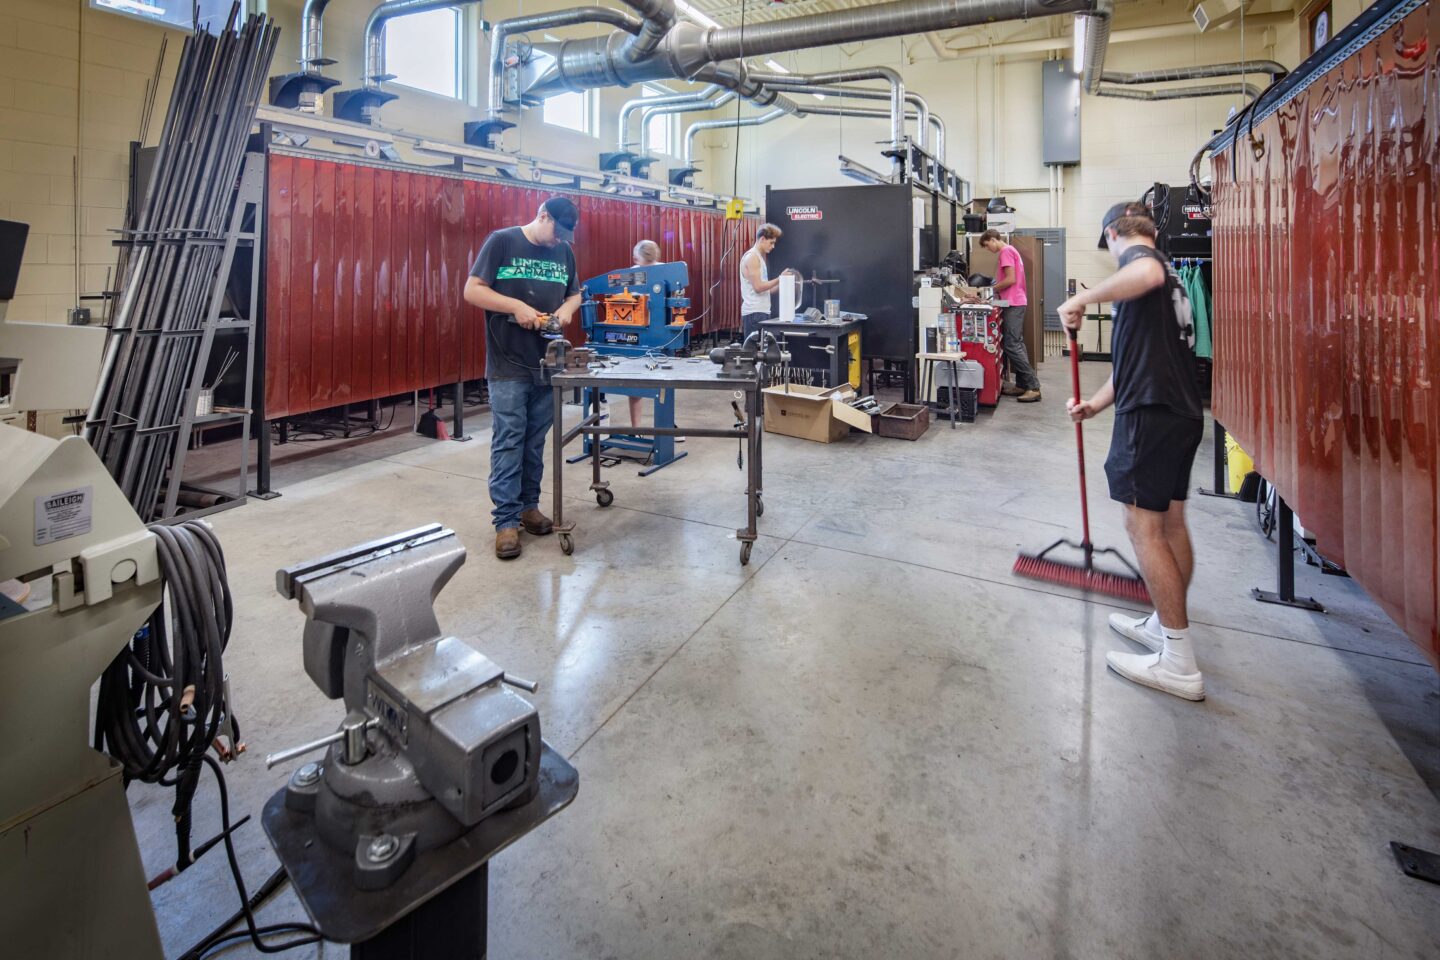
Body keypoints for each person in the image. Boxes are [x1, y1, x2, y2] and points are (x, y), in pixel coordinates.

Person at [1057, 202, 1205, 701]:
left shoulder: (1144, 266)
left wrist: (1084, 299)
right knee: (1170, 523)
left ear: (1114, 234)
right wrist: (1096, 405)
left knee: (1142, 527)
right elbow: (1134, 357)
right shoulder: (1171, 282)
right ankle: (1166, 627)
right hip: (1180, 412)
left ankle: (1179, 662)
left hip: (1151, 413)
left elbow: (1140, 270)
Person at [463, 197, 582, 560]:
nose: (557, 241)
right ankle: (506, 522)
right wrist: (516, 306)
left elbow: (575, 294)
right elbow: (472, 290)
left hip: (548, 364)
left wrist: (565, 310)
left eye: (564, 236)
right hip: (508, 363)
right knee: (509, 441)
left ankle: (529, 507)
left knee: (534, 441)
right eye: (555, 233)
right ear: (541, 215)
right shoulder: (502, 241)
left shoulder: (563, 251)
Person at [978, 229, 1041, 403]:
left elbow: (1010, 280)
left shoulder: (1005, 251)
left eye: (986, 245)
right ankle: (1022, 384)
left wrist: (989, 290)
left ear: (992, 239)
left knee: (1012, 344)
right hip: (1015, 301)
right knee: (1017, 343)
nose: (988, 249)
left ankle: (1033, 387)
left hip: (1013, 303)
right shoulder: (1012, 250)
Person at [625, 239, 662, 430]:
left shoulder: (664, 271)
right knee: (658, 383)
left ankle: (642, 428)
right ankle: (640, 429)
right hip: (644, 333)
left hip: (653, 335)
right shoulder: (633, 273)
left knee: (657, 384)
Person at [739, 223, 795, 339]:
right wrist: (780, 278)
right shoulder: (752, 257)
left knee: (762, 352)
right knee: (753, 353)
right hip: (754, 313)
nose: (773, 246)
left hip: (761, 312)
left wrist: (784, 283)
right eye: (771, 243)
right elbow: (758, 287)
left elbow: (767, 290)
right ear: (763, 239)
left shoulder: (759, 257)